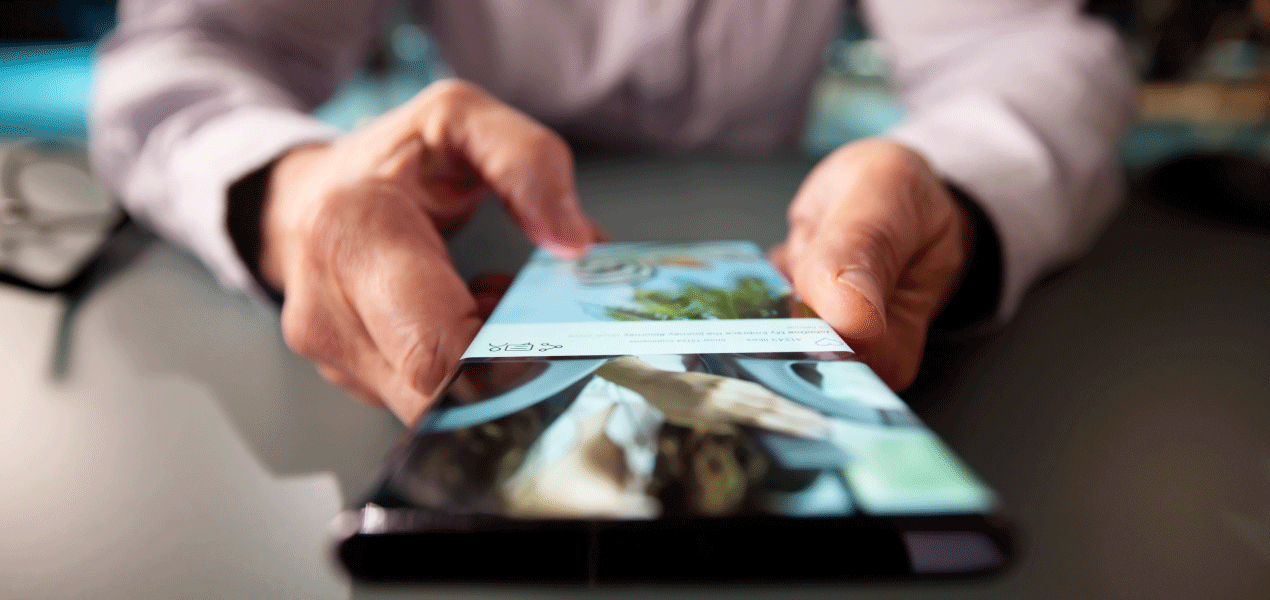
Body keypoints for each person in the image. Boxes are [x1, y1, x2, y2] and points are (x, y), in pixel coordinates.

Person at [90, 0, 1134, 425]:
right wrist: (298, 192)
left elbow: (1030, 44)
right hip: (465, 234)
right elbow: (188, 49)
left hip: (796, 226)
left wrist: (948, 189)